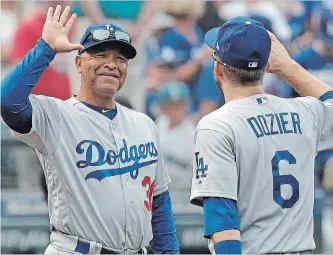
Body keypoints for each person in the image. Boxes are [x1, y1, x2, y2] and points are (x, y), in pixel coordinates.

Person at [1, 5, 179, 255]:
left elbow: (159, 204)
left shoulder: (144, 124)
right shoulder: (57, 115)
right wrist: (46, 48)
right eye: (100, 54)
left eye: (120, 58)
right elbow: (8, 101)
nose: (111, 64)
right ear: (78, 62)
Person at [189, 16, 333, 254]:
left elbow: (222, 220)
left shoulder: (217, 125)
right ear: (267, 67)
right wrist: (289, 67)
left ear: (217, 68)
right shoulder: (304, 112)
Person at [155, 82, 196, 201]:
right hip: (158, 193)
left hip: (183, 195)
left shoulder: (193, 134)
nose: (175, 110)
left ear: (186, 106)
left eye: (179, 105)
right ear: (162, 107)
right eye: (170, 105)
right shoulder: (157, 124)